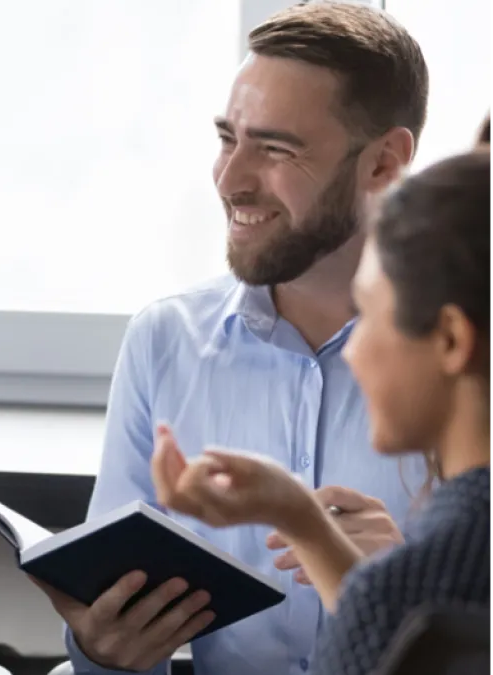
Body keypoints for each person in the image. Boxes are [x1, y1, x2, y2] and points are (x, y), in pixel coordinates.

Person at [35, 2, 432, 674]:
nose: (230, 178)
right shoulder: (166, 341)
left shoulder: (461, 362)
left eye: (276, 148)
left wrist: (424, 591)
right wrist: (105, 651)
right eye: (228, 138)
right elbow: (111, 627)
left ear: (383, 163)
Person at [151, 150, 493, 674]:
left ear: (450, 340)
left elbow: (382, 621)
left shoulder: (416, 592)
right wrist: (300, 517)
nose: (351, 351)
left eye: (370, 314)